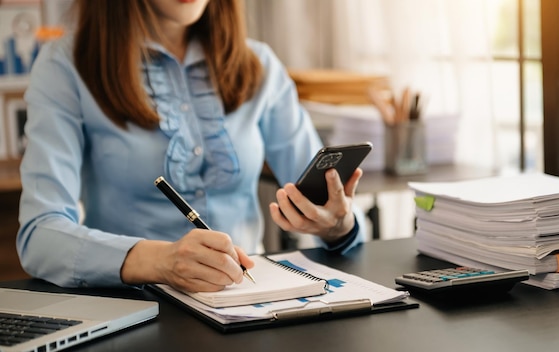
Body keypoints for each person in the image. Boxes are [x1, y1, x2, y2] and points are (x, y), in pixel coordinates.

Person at [17, 0, 366, 293]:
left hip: (250, 300)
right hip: (132, 313)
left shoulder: (259, 65)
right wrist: (158, 261)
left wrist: (337, 225)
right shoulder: (65, 64)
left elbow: (331, 208)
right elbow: (39, 235)